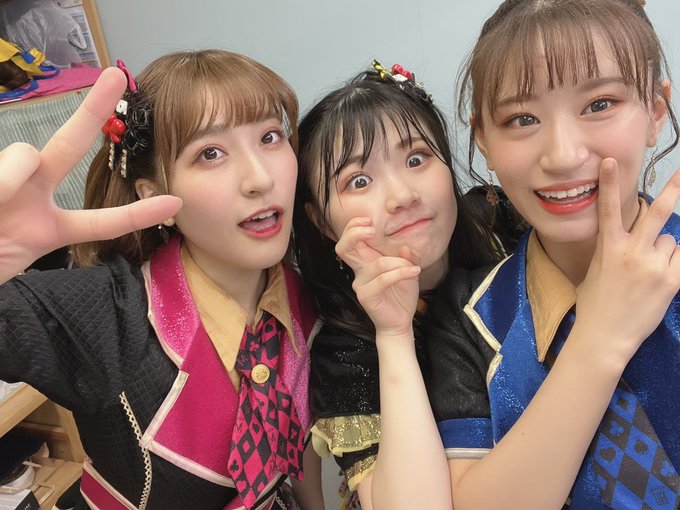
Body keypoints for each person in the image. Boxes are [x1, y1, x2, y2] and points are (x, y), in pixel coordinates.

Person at [0, 50, 323, 510]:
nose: (259, 178)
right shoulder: (105, 313)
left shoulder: (308, 296)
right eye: (211, 153)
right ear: (153, 194)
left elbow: (298, 446)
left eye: (270, 136)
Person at [426, 0, 680, 508]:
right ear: (483, 140)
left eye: (599, 104)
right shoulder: (471, 316)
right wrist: (600, 339)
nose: (563, 156)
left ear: (656, 111)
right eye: (522, 118)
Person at [292, 61, 517, 509]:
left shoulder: (505, 225)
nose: (402, 196)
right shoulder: (345, 349)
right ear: (322, 221)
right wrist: (393, 335)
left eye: (416, 159)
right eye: (359, 181)